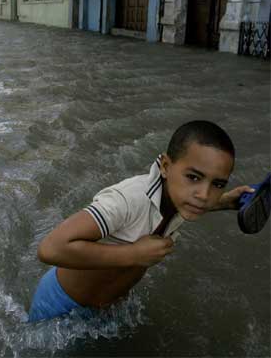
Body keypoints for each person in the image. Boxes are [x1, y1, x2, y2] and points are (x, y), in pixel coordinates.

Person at [28, 120, 270, 323]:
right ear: (165, 166)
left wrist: (226, 201)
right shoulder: (128, 200)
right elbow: (50, 248)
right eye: (194, 177)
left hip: (108, 307)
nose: (204, 195)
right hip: (60, 307)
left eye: (217, 184)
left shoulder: (181, 197)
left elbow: (196, 201)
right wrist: (133, 254)